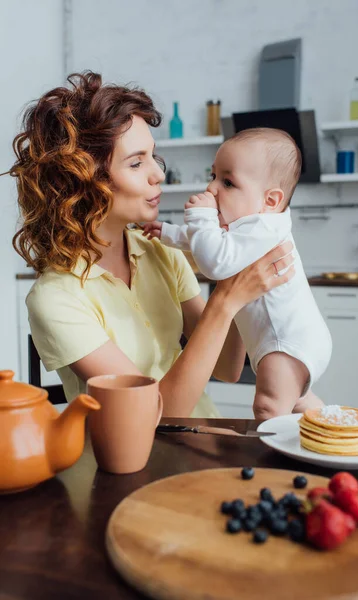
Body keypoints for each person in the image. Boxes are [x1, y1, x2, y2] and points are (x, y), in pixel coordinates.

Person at [5, 72, 295, 417]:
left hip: (206, 442)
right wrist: (226, 298)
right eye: (136, 162)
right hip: (133, 464)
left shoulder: (161, 251)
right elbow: (154, 413)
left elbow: (226, 368)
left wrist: (234, 266)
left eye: (153, 156)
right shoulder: (56, 298)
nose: (157, 174)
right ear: (83, 180)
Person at [143, 128, 332, 419]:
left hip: (285, 344)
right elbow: (215, 243)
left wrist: (200, 216)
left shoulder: (263, 228)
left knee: (268, 407)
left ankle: (277, 458)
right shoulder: (253, 225)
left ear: (270, 200)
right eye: (213, 175)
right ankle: (334, 427)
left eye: (228, 182)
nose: (212, 189)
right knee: (298, 401)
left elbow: (215, 262)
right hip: (298, 340)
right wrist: (169, 233)